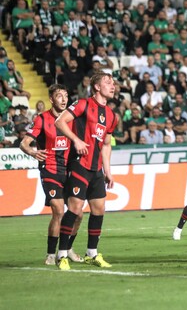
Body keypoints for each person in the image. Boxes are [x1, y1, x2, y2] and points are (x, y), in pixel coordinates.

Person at [54, 72, 118, 270]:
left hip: (96, 168)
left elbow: (106, 144)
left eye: (113, 83)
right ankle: (62, 255)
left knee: (99, 209)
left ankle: (92, 253)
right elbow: (60, 122)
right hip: (79, 164)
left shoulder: (111, 115)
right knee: (75, 209)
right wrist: (76, 140)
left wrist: (108, 171)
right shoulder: (83, 104)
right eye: (108, 82)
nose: (113, 85)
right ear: (97, 87)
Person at [19, 85, 84, 265]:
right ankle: (50, 253)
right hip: (50, 170)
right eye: (59, 96)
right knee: (58, 210)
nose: (63, 99)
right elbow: (24, 143)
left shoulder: (72, 120)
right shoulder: (41, 119)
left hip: (70, 171)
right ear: (51, 99)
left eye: (65, 95)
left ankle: (67, 248)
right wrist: (33, 153)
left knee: (78, 214)